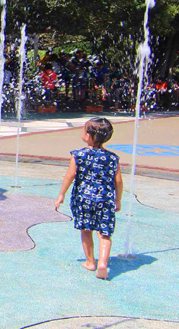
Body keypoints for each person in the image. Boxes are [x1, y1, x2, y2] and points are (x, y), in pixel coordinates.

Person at [55, 118, 122, 280]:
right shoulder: (112, 158)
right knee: (104, 233)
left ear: (88, 136)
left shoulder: (78, 155)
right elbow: (118, 181)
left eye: (84, 129)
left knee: (86, 230)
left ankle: (90, 262)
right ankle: (103, 263)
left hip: (83, 198)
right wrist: (118, 200)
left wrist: (61, 194)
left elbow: (70, 176)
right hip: (105, 200)